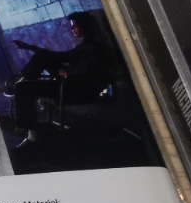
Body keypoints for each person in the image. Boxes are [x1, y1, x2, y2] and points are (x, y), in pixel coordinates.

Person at [10, 11, 116, 145]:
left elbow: (88, 70)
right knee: (42, 56)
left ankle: (33, 137)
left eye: (75, 26)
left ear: (85, 26)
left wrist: (66, 73)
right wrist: (29, 47)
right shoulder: (85, 45)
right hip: (71, 82)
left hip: (74, 88)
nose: (72, 29)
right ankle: (24, 81)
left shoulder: (93, 47)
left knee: (23, 88)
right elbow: (61, 56)